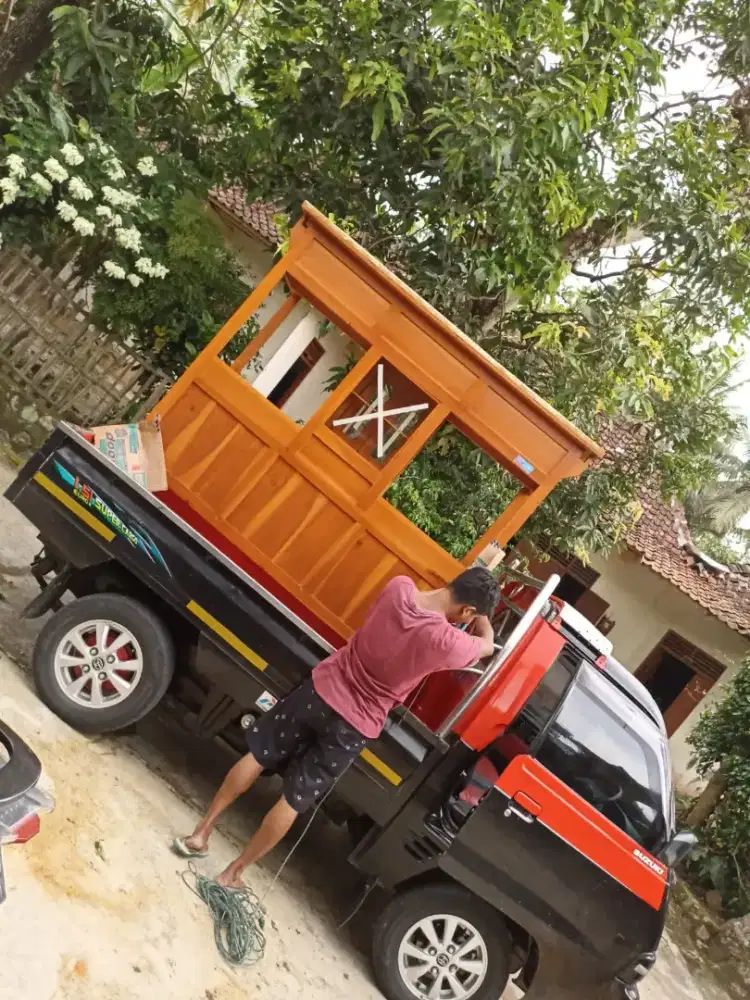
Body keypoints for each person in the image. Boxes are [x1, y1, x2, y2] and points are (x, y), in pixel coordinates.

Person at [173, 567, 499, 888]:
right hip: (355, 724)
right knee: (293, 798)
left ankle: (200, 833)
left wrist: (473, 590)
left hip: (322, 688)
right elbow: (486, 644)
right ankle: (232, 874)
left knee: (259, 755)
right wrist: (479, 618)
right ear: (468, 610)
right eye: (469, 614)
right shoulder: (447, 641)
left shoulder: (398, 587)